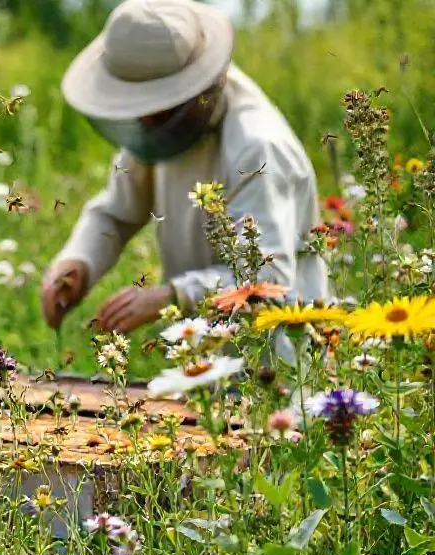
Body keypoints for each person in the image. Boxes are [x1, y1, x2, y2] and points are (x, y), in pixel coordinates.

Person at [41, 0, 328, 332]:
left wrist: (175, 296)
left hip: (280, 352)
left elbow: (266, 279)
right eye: (138, 107)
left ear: (195, 88)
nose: (146, 120)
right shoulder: (163, 127)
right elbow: (117, 213)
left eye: (158, 108)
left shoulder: (258, 147)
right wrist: (79, 261)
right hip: (199, 348)